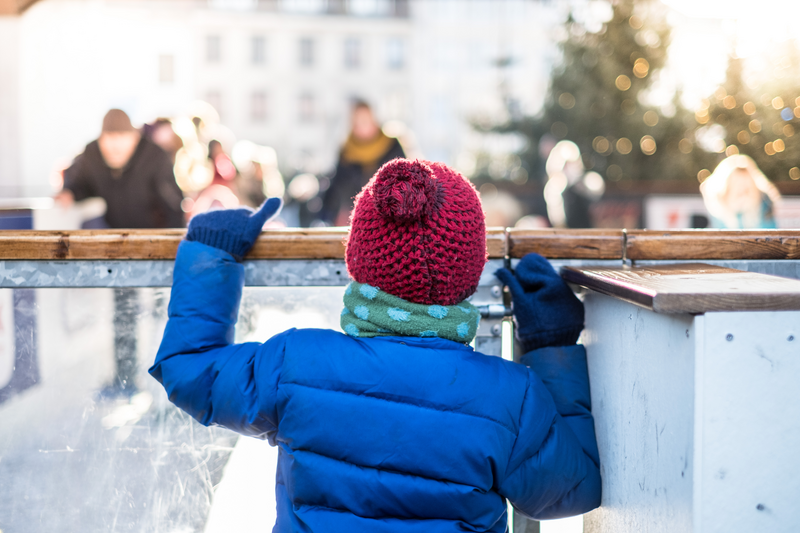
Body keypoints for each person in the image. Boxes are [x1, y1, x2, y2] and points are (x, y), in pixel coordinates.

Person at [150, 158, 601, 531]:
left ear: (358, 259)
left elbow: (190, 369)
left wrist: (211, 251)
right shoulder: (509, 397)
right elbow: (572, 488)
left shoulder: (295, 365)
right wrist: (551, 343)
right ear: (470, 268)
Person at [58, 109, 185, 398]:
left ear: (134, 138)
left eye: (121, 141)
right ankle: (125, 381)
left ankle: (168, 385)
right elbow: (78, 180)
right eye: (108, 142)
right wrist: (68, 192)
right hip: (120, 248)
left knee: (162, 313)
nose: (114, 149)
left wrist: (174, 252)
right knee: (123, 315)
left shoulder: (154, 156)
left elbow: (172, 204)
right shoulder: (92, 154)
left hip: (157, 248)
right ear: (101, 140)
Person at [322, 100, 405, 225]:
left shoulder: (392, 146)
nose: (362, 126)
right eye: (358, 122)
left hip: (388, 219)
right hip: (352, 220)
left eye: (365, 120)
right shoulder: (346, 151)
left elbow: (403, 183)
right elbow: (337, 188)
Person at [700, 154, 781, 229]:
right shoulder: (718, 208)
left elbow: (770, 235)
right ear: (726, 189)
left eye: (747, 190)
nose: (743, 194)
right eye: (737, 190)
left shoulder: (765, 206)